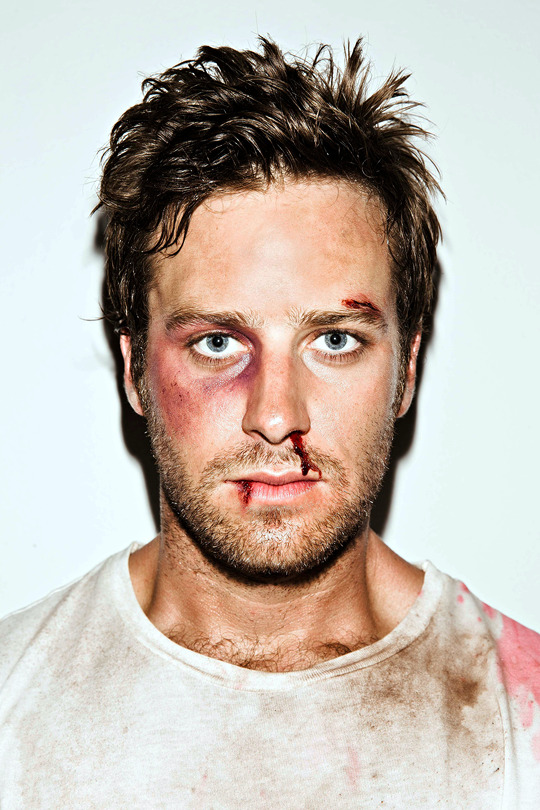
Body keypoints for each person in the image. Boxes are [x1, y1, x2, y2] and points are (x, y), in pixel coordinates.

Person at [1, 37, 539, 808]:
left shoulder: (523, 726)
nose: (278, 415)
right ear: (133, 369)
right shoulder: (13, 706)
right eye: (218, 344)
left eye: (335, 341)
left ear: (408, 368)